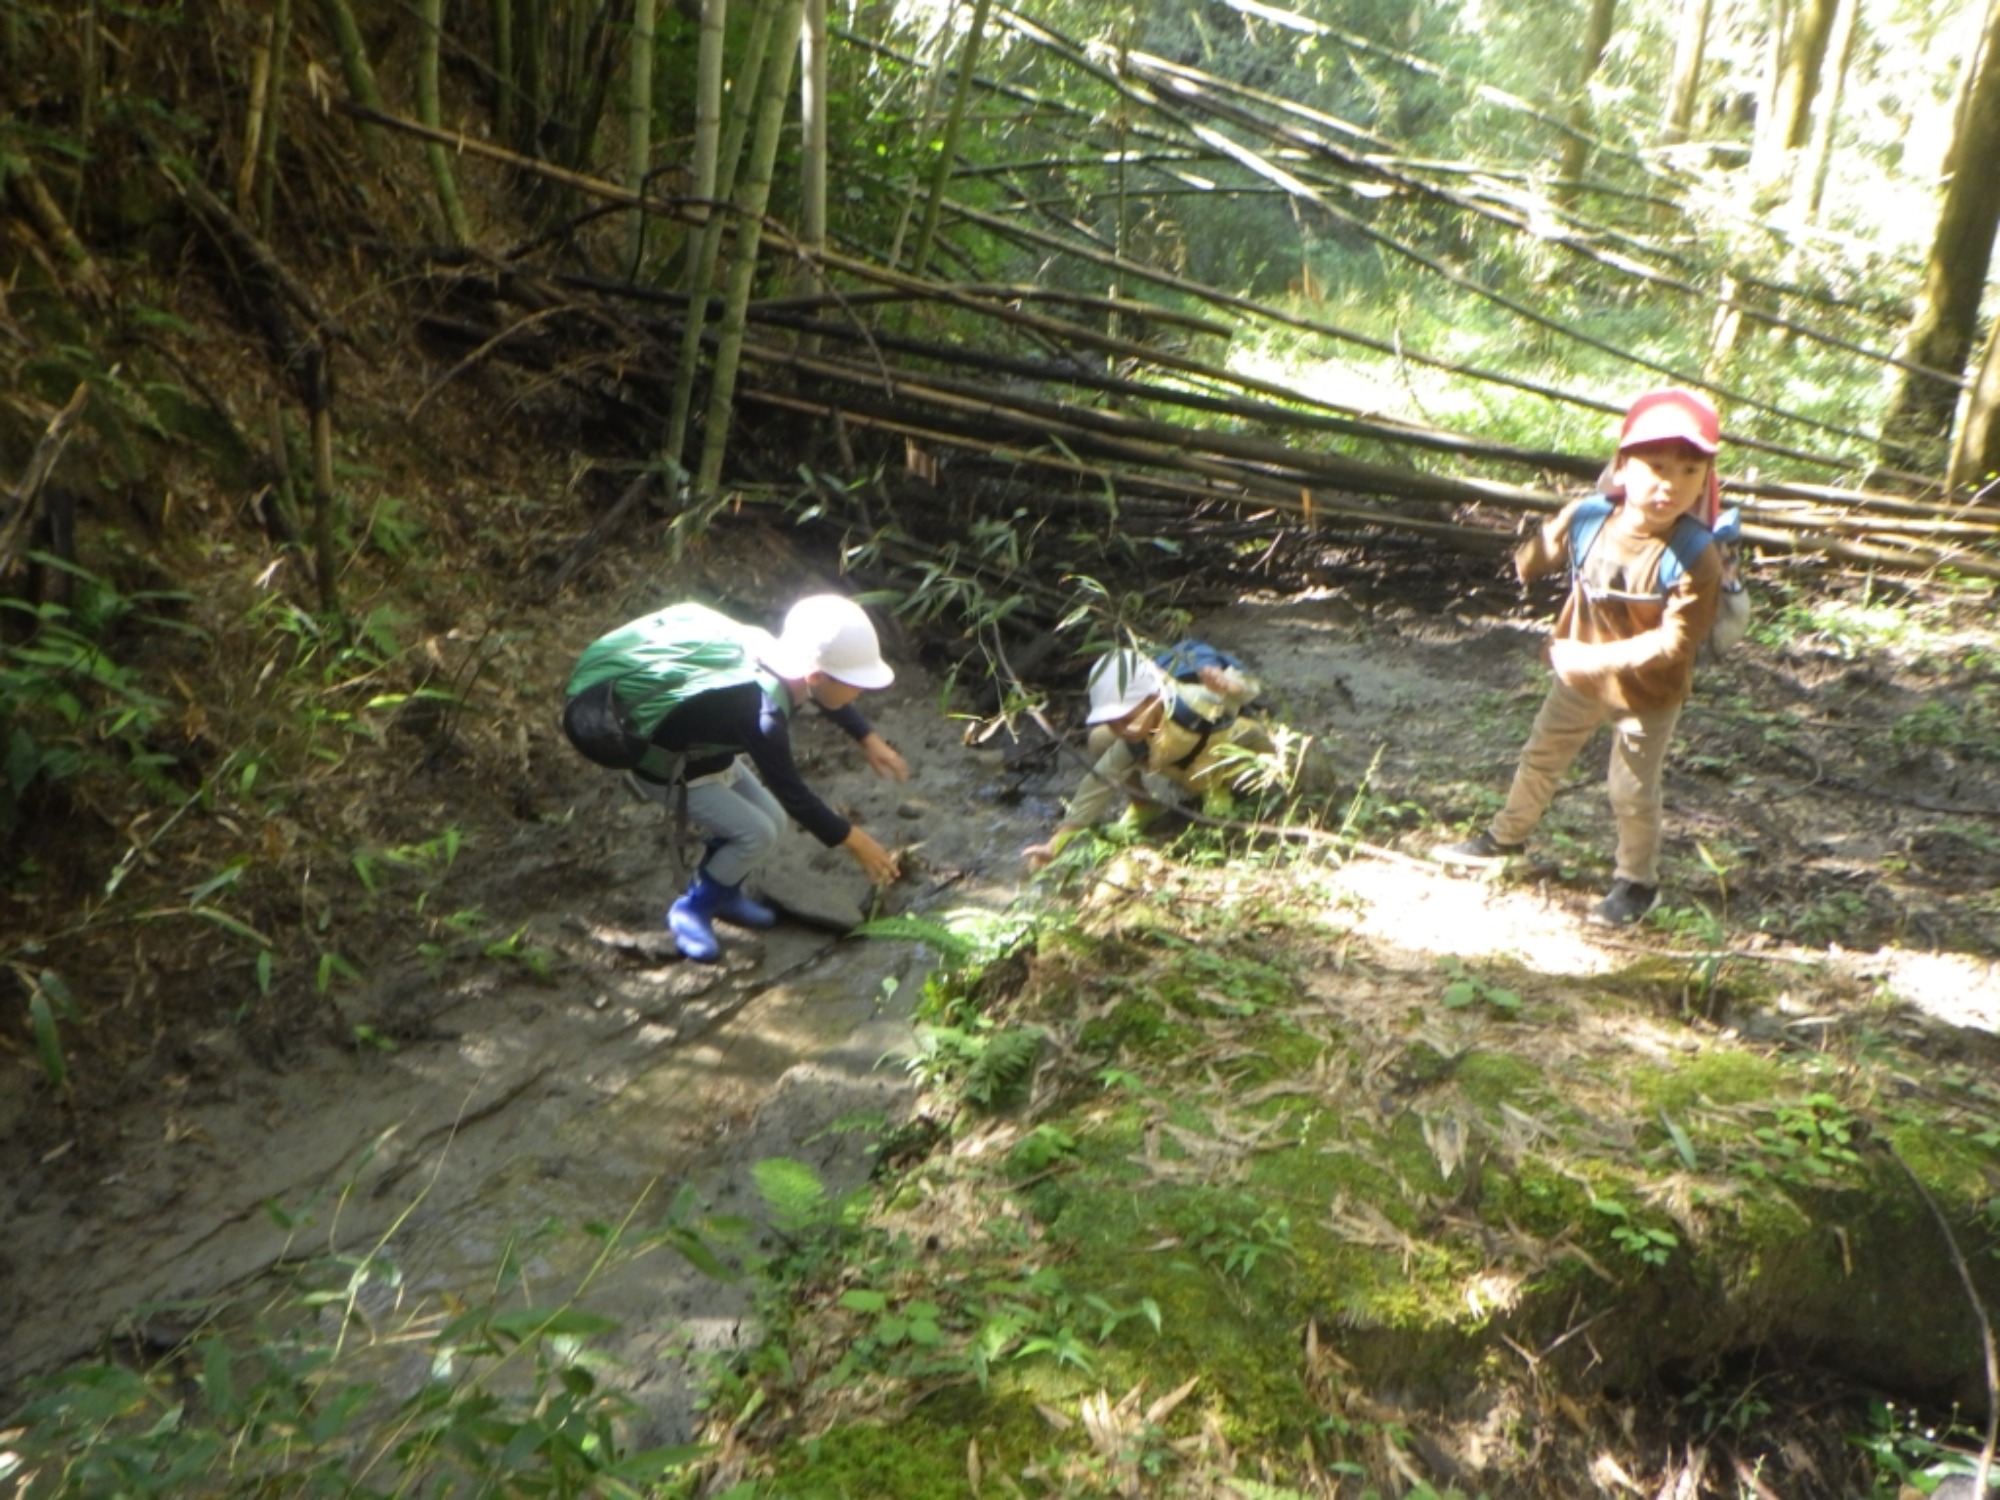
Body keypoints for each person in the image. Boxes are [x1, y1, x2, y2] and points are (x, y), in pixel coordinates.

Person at [1434, 387, 1728, 926]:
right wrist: (1543, 545)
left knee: (1632, 787)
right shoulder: (1591, 520)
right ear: (1622, 465)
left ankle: (1638, 883)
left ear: (1706, 480)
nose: (1671, 484)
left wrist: (1587, 661)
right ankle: (1506, 840)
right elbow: (1535, 557)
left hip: (1647, 692)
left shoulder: (1695, 555)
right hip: (1579, 678)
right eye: (1656, 466)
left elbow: (1675, 645)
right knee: (1541, 756)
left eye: (1690, 471)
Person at [563, 593, 909, 961]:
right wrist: (855, 841)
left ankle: (724, 892)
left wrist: (866, 737)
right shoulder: (763, 715)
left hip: (707, 755)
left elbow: (829, 695)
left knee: (772, 822)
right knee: (755, 833)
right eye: (856, 682)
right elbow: (794, 794)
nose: (861, 690)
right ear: (816, 675)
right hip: (670, 770)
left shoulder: (771, 651)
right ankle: (692, 908)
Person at [1024, 642, 1261, 871]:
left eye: (1126, 718)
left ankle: (1218, 791)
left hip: (1219, 757)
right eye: (1111, 722)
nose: (1121, 729)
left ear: (1153, 699)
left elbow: (1250, 692)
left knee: (1245, 734)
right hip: (1182, 761)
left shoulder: (1195, 703)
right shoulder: (1135, 739)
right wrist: (1054, 845)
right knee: (1100, 740)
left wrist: (1229, 685)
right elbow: (1096, 785)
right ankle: (1144, 805)